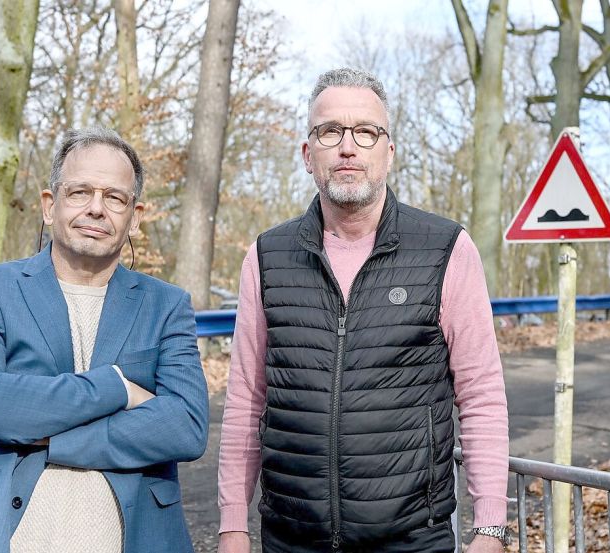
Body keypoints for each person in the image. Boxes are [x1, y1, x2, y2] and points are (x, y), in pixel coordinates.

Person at [217, 68, 510, 553]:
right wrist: (232, 526)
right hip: (291, 538)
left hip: (412, 537)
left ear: (388, 152)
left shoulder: (446, 249)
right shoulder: (266, 256)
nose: (348, 147)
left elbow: (481, 395)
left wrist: (490, 528)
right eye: (330, 131)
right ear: (309, 155)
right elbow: (247, 399)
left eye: (365, 132)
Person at [0, 127, 209, 553]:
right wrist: (117, 388)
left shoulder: (167, 305)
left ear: (135, 217)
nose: (97, 209)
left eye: (115, 197)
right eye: (80, 192)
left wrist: (52, 437)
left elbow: (185, 427)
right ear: (50, 206)